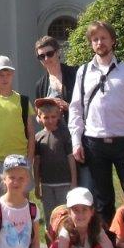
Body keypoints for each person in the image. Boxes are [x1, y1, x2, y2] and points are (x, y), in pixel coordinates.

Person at [68, 21, 124, 223]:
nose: (99, 42)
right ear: (91, 44)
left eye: (103, 38)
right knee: (102, 200)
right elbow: (76, 108)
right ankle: (110, 246)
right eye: (95, 39)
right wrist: (76, 141)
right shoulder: (83, 72)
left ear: (112, 41)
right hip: (94, 145)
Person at [0, 56, 35, 200]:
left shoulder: (23, 101)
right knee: (0, 205)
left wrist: (29, 161)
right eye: (0, 75)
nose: (5, 78)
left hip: (21, 160)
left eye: (8, 74)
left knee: (22, 203)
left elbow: (31, 134)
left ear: (13, 75)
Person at [51, 187, 119, 248]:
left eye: (84, 209)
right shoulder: (65, 232)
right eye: (76, 210)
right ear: (70, 213)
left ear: (92, 212)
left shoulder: (97, 229)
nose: (80, 215)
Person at [34, 96, 77, 224]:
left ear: (58, 116)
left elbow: (71, 159)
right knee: (50, 217)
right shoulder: (38, 137)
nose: (50, 120)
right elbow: (36, 164)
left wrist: (74, 181)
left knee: (65, 217)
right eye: (46, 117)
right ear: (40, 118)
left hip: (64, 183)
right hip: (46, 184)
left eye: (53, 117)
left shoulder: (65, 135)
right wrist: (37, 184)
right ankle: (52, 243)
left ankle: (65, 242)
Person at [34, 36, 78, 120]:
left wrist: (68, 107)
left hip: (76, 129)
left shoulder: (76, 74)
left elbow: (88, 105)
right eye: (41, 56)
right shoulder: (40, 85)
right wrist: (39, 118)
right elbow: (40, 113)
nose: (46, 59)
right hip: (53, 132)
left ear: (58, 52)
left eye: (49, 54)